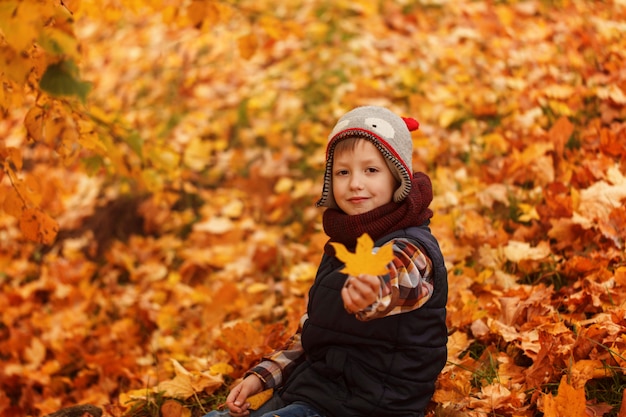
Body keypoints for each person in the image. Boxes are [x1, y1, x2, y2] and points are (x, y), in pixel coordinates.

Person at [205, 105, 448, 417]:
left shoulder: (411, 247)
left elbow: (401, 280)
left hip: (369, 405)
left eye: (371, 170)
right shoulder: (343, 245)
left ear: (397, 178)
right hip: (316, 392)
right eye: (342, 172)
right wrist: (263, 375)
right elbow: (318, 331)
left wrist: (374, 290)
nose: (355, 183)